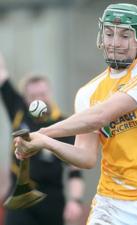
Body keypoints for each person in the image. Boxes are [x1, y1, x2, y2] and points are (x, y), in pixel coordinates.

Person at [13, 3, 137, 225]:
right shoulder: (87, 93)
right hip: (113, 203)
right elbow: (85, 157)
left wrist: (43, 132)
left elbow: (99, 117)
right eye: (109, 34)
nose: (115, 43)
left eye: (125, 35)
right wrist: (45, 143)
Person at [0, 54, 84, 225]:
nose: (39, 100)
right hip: (20, 196)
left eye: (43, 94)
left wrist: (75, 200)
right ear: (25, 98)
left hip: (52, 199)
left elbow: (75, 170)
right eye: (33, 96)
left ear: (50, 93)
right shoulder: (18, 110)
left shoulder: (64, 124)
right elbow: (2, 74)